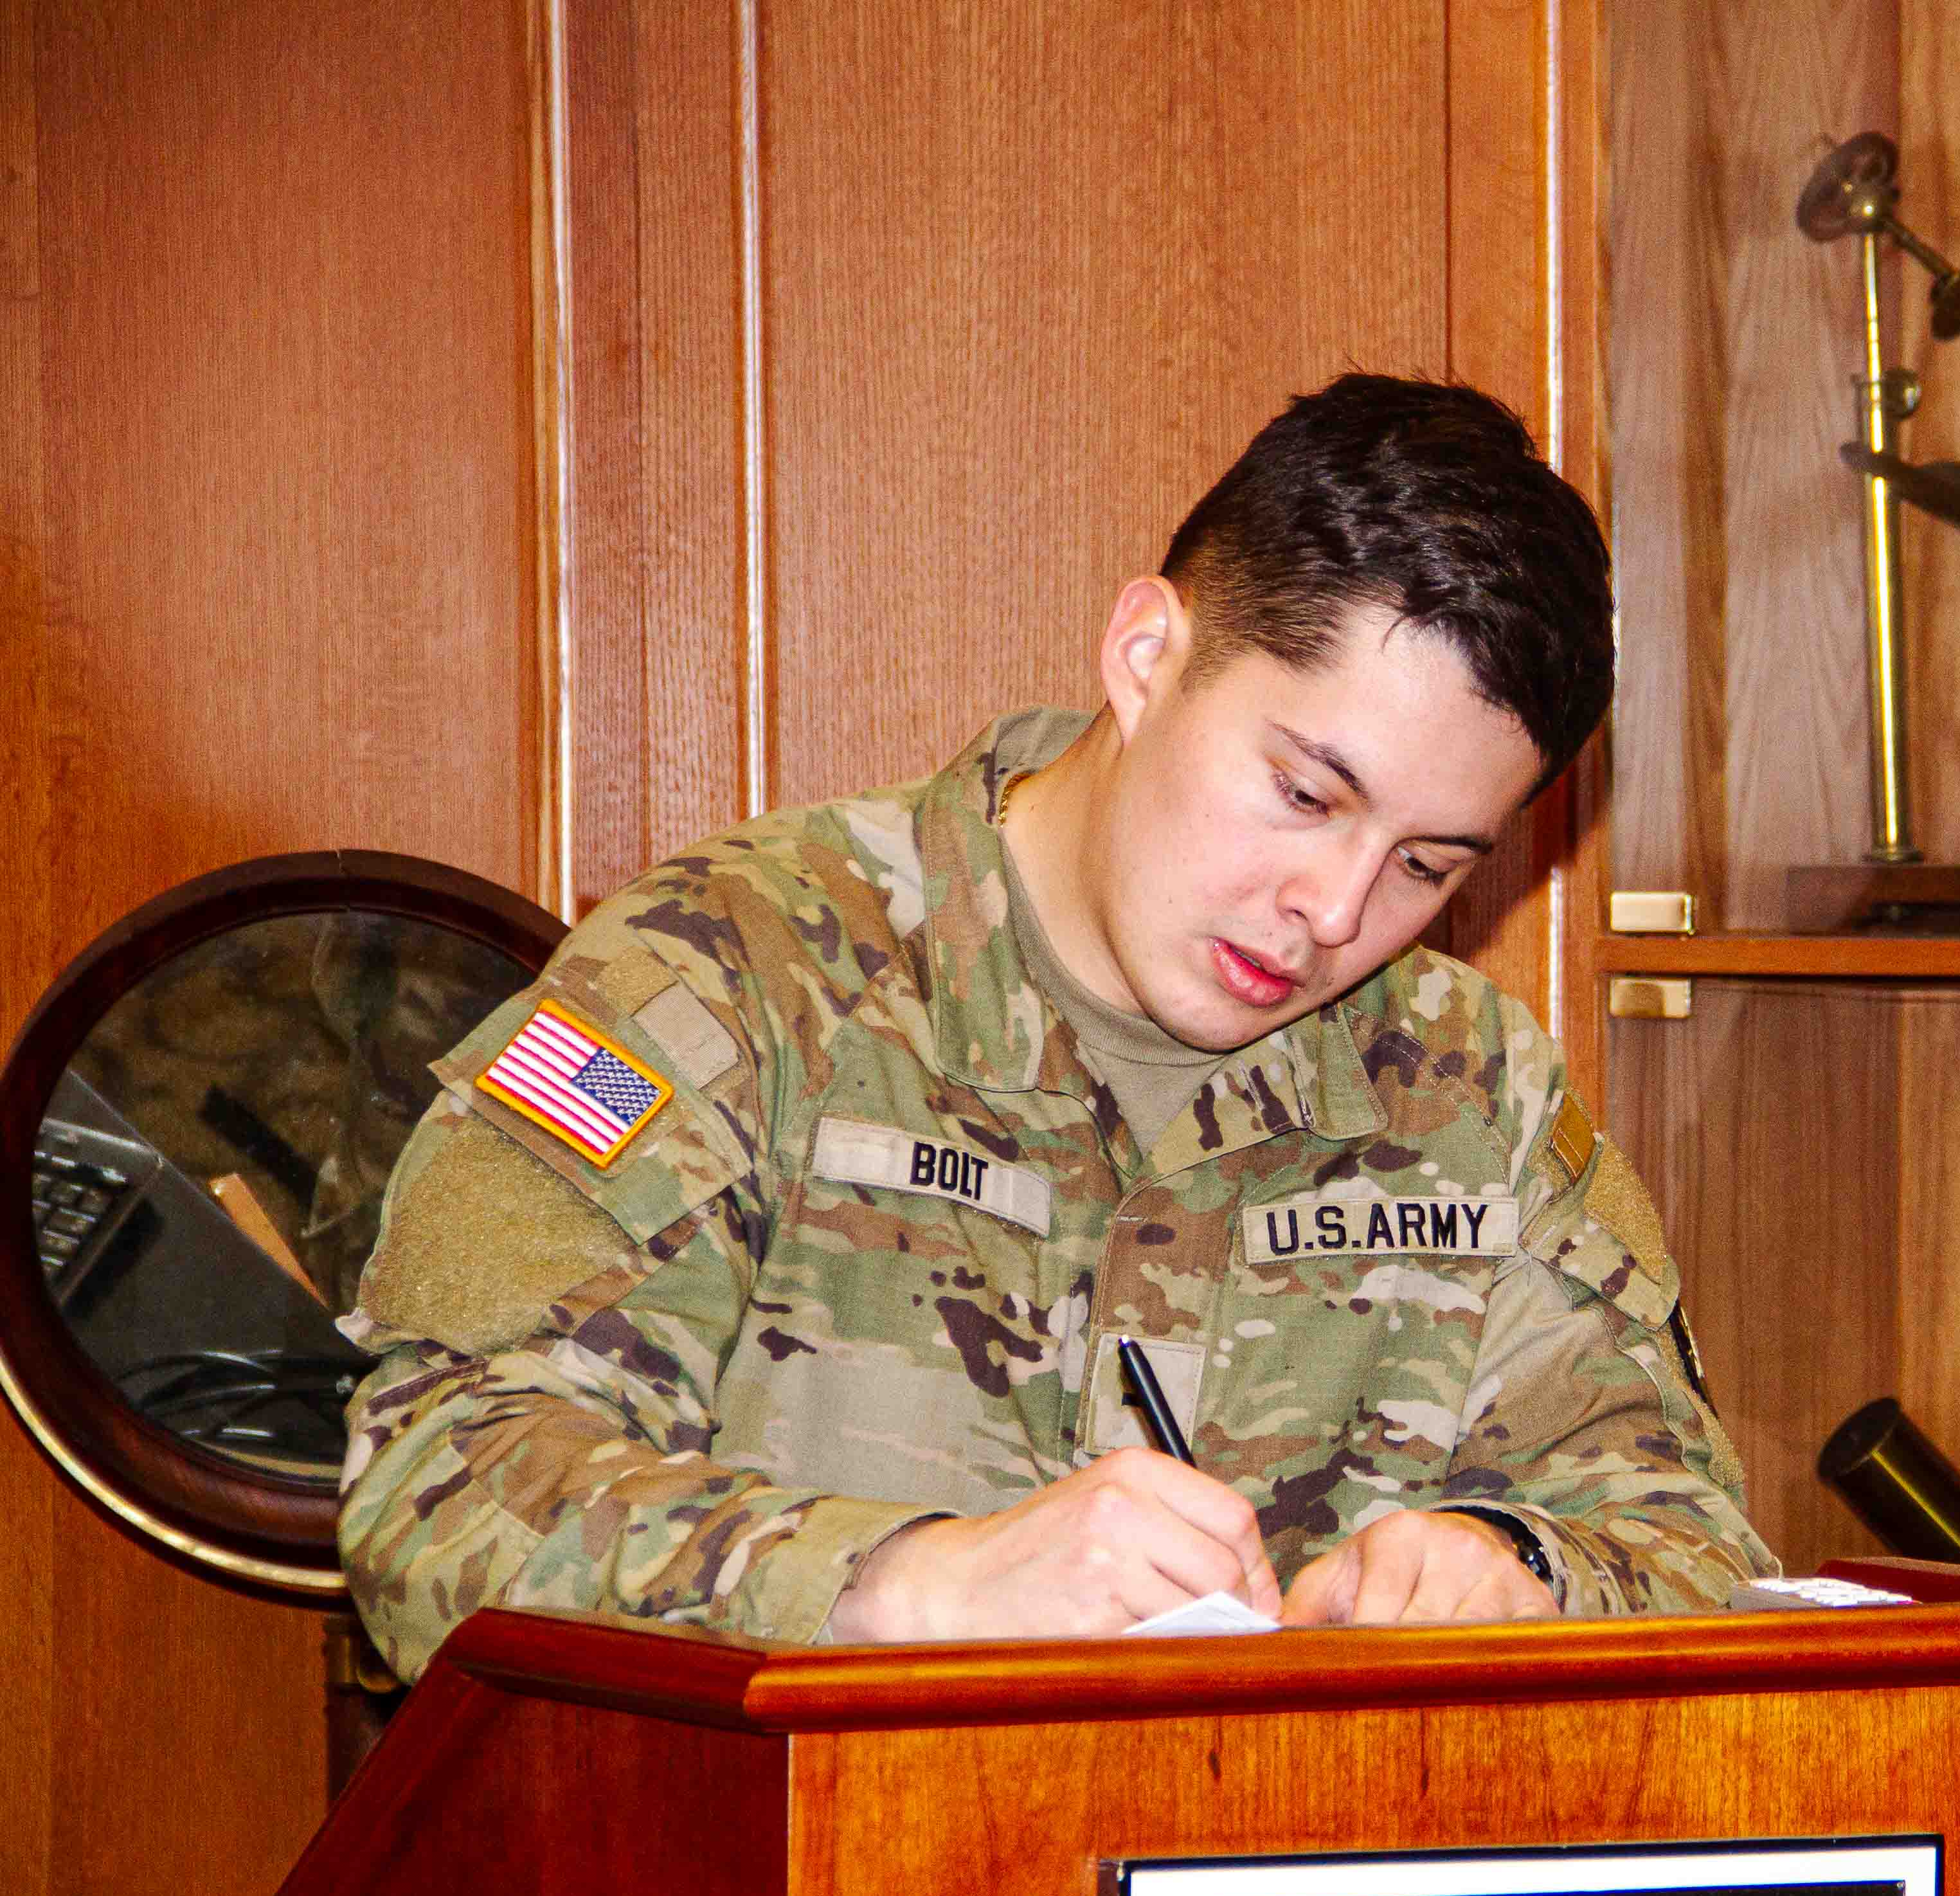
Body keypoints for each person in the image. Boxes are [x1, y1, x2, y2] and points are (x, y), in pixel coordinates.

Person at [337, 374, 1773, 1680]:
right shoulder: (737, 977)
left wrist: (1521, 1569)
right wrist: (902, 1585)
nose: (1335, 913)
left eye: (1427, 866)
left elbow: (1698, 1538)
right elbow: (439, 1489)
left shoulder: (1470, 1092)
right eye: (1305, 795)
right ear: (1147, 656)